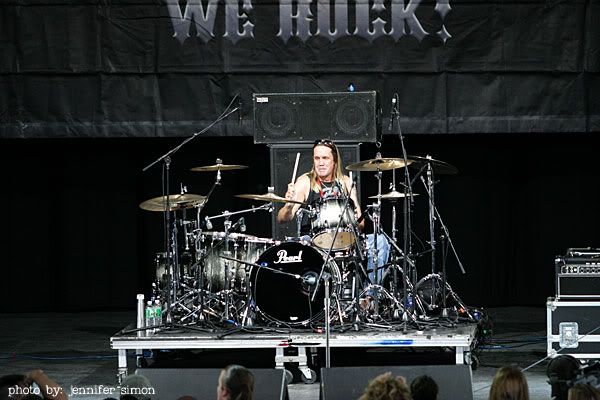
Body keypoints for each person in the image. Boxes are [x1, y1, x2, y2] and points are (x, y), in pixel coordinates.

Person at [277, 139, 389, 283]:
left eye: (325, 158)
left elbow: (360, 224)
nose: (320, 163)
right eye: (317, 158)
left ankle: (370, 293)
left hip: (345, 240)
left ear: (335, 161)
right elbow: (282, 219)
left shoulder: (345, 182)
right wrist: (288, 205)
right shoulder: (305, 181)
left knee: (380, 241)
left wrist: (353, 221)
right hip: (313, 241)